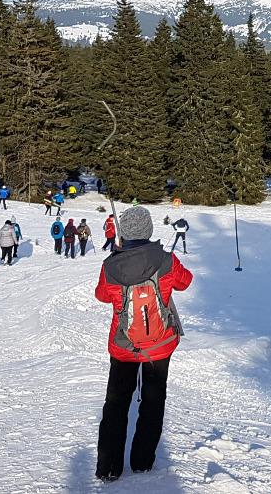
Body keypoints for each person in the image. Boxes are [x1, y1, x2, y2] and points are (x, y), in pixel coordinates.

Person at [94, 206, 193, 481]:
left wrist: (117, 260)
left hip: (123, 346)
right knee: (153, 401)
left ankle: (109, 468)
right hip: (160, 346)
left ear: (124, 232)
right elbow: (186, 282)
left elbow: (102, 295)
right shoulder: (166, 260)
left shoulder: (111, 265)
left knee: (116, 404)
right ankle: (142, 461)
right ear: (148, 230)